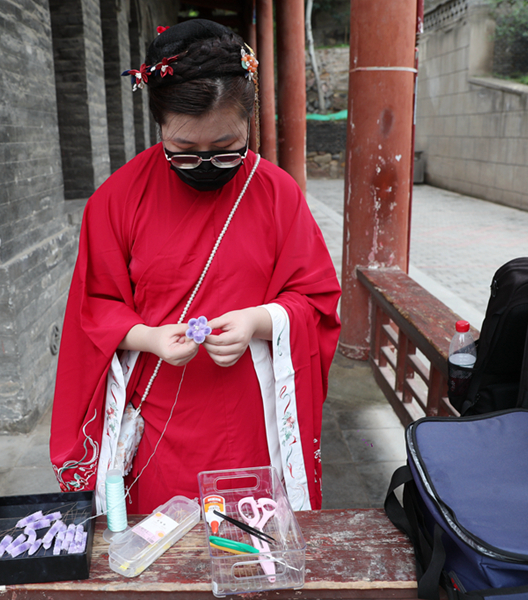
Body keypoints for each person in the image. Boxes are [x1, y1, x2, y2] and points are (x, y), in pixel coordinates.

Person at [49, 19, 341, 514]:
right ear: (159, 125)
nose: (205, 163)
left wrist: (257, 320)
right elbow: (94, 305)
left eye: (226, 149)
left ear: (249, 122)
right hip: (161, 409)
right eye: (183, 152)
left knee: (254, 535)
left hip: (254, 409)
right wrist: (149, 337)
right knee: (163, 537)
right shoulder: (117, 198)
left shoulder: (277, 193)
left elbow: (316, 300)